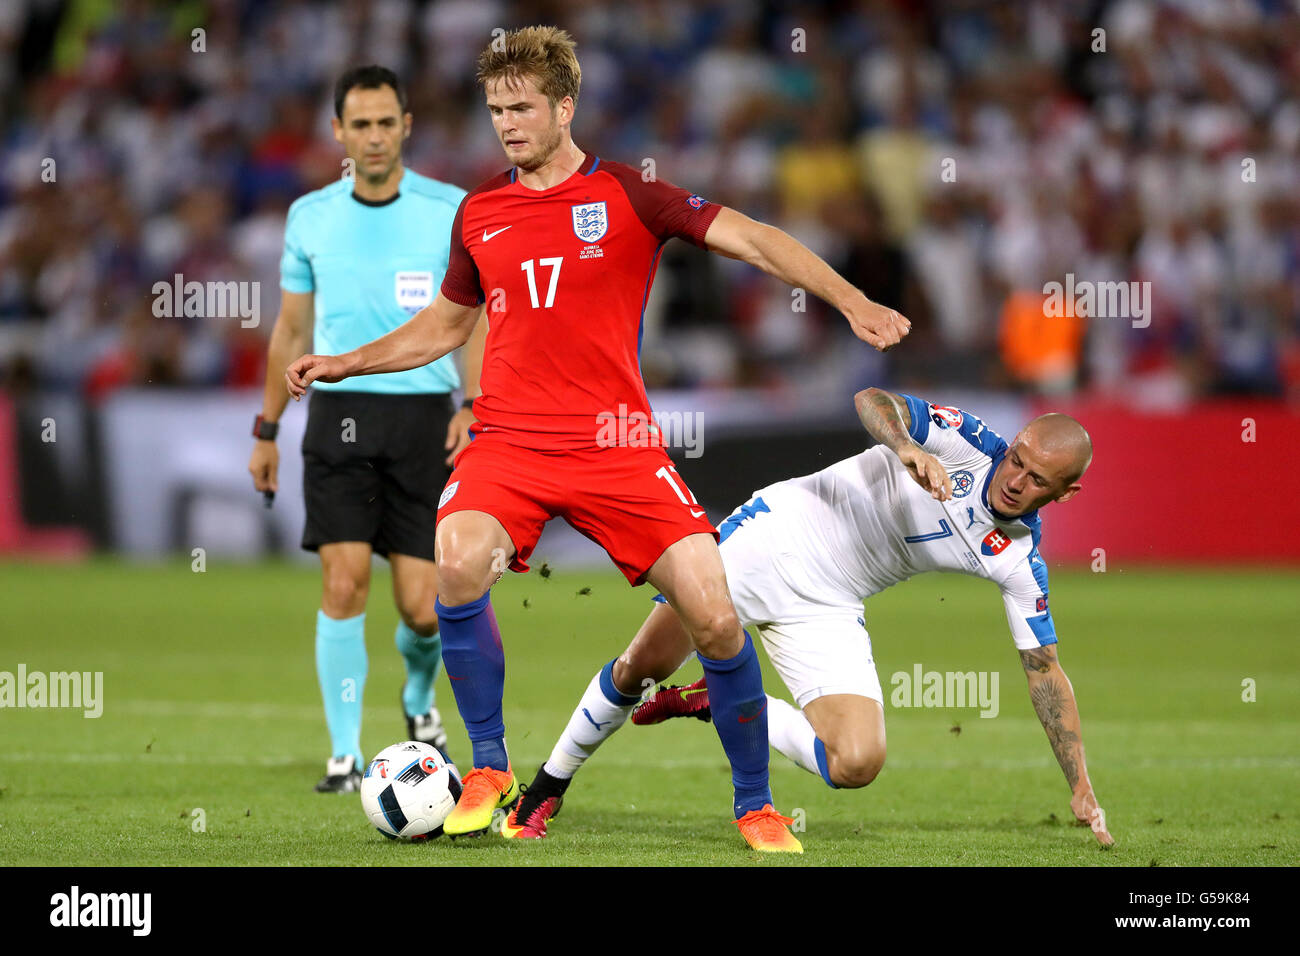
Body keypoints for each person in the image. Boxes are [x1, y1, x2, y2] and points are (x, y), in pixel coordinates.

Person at [285, 27, 910, 851]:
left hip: (616, 446)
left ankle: (755, 805)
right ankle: (490, 768)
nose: (506, 124)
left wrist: (850, 298)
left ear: (565, 107)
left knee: (716, 617)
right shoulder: (480, 212)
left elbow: (755, 238)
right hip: (509, 441)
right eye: (495, 109)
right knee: (458, 559)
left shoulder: (629, 196)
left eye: (522, 108)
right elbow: (444, 324)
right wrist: (347, 362)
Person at [510, 388, 1115, 848]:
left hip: (831, 604)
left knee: (857, 761)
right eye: (1017, 460)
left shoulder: (1018, 562)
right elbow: (872, 400)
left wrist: (1079, 782)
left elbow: (1044, 673)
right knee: (640, 666)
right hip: (772, 538)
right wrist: (904, 445)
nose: (1015, 479)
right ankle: (548, 786)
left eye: (1038, 479)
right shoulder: (964, 440)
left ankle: (713, 700)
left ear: (1063, 495)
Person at [249, 65, 486, 793]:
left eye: (387, 122)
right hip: (340, 418)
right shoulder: (310, 216)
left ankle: (417, 702)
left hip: (426, 424)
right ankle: (345, 756)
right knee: (344, 582)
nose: (375, 136)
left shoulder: (451, 210)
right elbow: (291, 330)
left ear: (407, 125)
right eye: (361, 124)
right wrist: (265, 428)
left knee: (422, 608)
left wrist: (474, 406)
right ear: (339, 133)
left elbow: (471, 319)